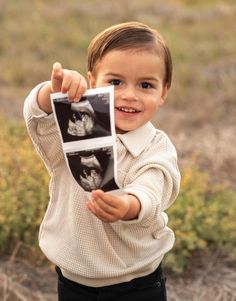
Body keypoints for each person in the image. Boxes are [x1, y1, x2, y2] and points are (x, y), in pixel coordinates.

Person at [24, 21, 181, 301]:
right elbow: (39, 120)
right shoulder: (75, 127)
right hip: (74, 281)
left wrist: (128, 205)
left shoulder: (156, 147)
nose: (130, 94)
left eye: (146, 85)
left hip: (138, 283)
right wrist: (53, 91)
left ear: (163, 92)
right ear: (93, 81)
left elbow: (153, 189)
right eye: (115, 82)